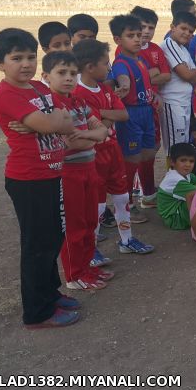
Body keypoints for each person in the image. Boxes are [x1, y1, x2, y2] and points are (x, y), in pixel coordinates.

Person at [0, 28, 79, 328]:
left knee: (53, 238)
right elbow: (55, 120)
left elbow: (66, 120)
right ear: (0, 63)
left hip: (50, 174)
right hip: (28, 179)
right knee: (36, 245)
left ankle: (50, 293)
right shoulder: (7, 93)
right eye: (16, 58)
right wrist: (48, 122)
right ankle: (37, 312)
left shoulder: (38, 90)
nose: (26, 64)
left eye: (31, 57)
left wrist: (46, 124)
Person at [73, 39, 149, 264]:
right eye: (105, 64)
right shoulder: (78, 92)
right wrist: (103, 118)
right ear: (89, 67)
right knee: (96, 204)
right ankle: (92, 248)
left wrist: (100, 116)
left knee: (122, 196)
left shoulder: (104, 89)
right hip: (93, 153)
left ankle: (126, 240)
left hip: (112, 149)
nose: (109, 68)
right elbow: (92, 125)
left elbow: (123, 114)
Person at [41, 51, 111, 290]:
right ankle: (74, 275)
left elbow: (104, 132)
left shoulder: (79, 102)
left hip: (89, 167)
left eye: (73, 73)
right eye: (62, 73)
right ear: (46, 76)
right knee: (74, 225)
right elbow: (73, 142)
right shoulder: (52, 105)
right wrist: (92, 137)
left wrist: (88, 136)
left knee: (91, 221)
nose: (69, 78)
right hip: (68, 172)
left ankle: (87, 266)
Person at [109, 14, 161, 218]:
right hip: (131, 115)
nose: (138, 39)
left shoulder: (139, 60)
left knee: (148, 153)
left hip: (147, 111)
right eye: (131, 35)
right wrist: (124, 86)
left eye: (139, 35)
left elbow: (145, 82)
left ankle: (143, 195)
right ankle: (126, 205)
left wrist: (154, 95)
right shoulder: (121, 62)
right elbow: (123, 79)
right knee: (130, 160)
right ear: (118, 40)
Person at [160, 11, 196, 154]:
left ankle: (180, 175)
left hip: (183, 102)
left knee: (182, 143)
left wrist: (191, 73)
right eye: (183, 28)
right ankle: (172, 175)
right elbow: (187, 74)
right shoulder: (168, 45)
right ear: (172, 27)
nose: (187, 33)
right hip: (172, 102)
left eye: (190, 31)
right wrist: (190, 73)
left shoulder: (183, 49)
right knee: (174, 147)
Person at [157, 143, 196, 230]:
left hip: (178, 209)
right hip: (174, 218)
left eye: (191, 161)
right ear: (172, 162)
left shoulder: (186, 174)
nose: (188, 164)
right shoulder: (175, 179)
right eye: (183, 160)